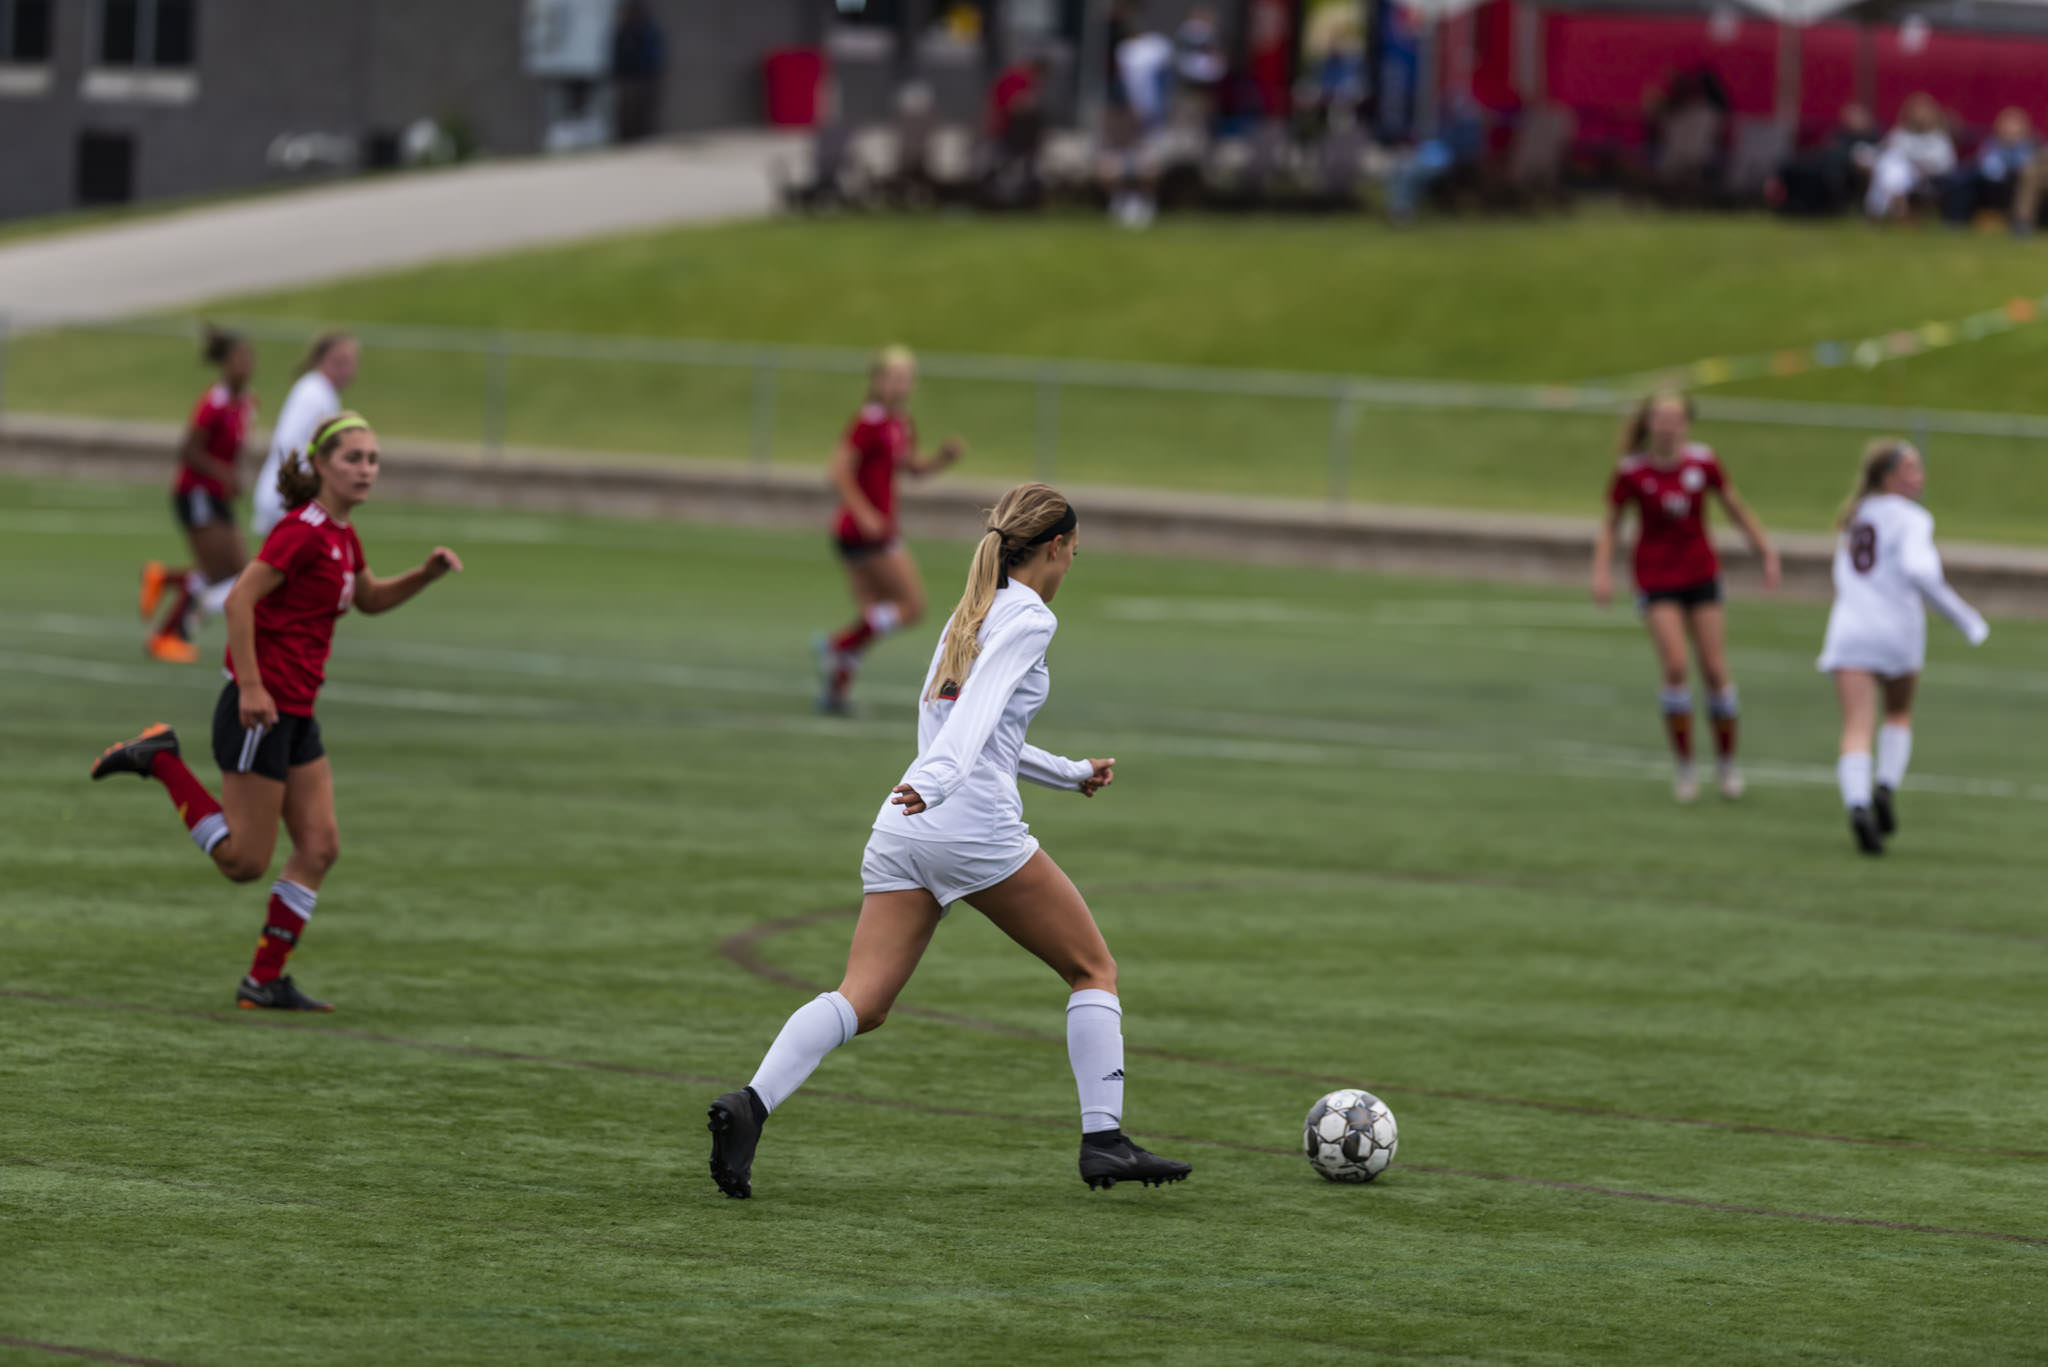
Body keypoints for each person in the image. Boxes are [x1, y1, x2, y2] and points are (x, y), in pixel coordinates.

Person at [711, 483, 1191, 1199]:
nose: (1070, 567)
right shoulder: (1029, 618)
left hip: (905, 822)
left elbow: (970, 721)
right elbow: (973, 723)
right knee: (1093, 968)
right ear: (1055, 547)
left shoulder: (970, 612)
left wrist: (1066, 772)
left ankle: (750, 1105)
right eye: (1075, 554)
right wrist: (939, 780)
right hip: (965, 818)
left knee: (862, 1001)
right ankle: (1104, 1140)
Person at [91, 413, 463, 1011]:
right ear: (320, 465)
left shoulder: (343, 536)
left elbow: (367, 599)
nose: (366, 469)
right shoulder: (305, 531)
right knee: (243, 862)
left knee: (319, 847)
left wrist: (426, 573)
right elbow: (239, 598)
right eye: (353, 458)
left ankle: (263, 981)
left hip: (296, 714)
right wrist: (252, 687)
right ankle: (161, 760)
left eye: (373, 459)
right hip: (258, 712)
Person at [1593, 393, 1781, 803]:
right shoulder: (1631, 472)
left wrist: (1765, 551)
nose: (1668, 425)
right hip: (1656, 577)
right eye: (1661, 418)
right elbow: (1611, 525)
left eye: (1675, 418)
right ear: (1648, 424)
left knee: (1714, 671)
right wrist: (1602, 571)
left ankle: (1728, 765)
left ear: (1687, 424)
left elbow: (1735, 508)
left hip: (1702, 573)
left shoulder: (1704, 463)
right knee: (1676, 667)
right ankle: (1685, 767)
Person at [1817, 440, 1987, 855]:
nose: (1919, 475)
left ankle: (1858, 805)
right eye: (1910, 468)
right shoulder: (1912, 519)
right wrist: (1966, 618)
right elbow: (1920, 571)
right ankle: (1886, 787)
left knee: (1856, 725)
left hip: (1850, 629)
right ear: (1888, 476)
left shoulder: (1854, 514)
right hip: (1897, 630)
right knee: (1898, 712)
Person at [814, 346, 963, 714]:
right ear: (878, 381)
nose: (901, 384)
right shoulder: (868, 421)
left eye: (906, 378)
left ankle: (836, 689)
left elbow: (912, 468)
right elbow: (837, 470)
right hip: (867, 533)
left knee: (873, 615)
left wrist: (942, 459)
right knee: (912, 607)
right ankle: (839, 645)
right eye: (894, 377)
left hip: (873, 531)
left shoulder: (900, 424)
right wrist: (863, 511)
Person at [139, 326, 257, 664]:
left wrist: (236, 475)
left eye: (250, 358)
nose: (246, 365)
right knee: (222, 572)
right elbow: (189, 450)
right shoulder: (214, 402)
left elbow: (234, 449)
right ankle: (165, 635)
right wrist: (222, 472)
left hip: (217, 494)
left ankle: (163, 579)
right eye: (239, 359)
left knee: (237, 569)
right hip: (195, 494)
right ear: (225, 363)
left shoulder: (246, 402)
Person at [253, 331, 357, 539]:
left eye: (350, 362)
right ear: (321, 359)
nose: (346, 369)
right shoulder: (314, 394)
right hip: (287, 497)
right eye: (339, 361)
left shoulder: (321, 392)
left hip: (288, 495)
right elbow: (289, 443)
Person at [1865, 93, 1955, 221]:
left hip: (1925, 178)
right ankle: (1897, 205)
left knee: (1893, 166)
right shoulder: (1899, 134)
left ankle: (1877, 210)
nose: (1919, 116)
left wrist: (1921, 166)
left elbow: (1948, 166)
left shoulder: (1939, 139)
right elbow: (1880, 153)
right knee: (1891, 163)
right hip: (1898, 175)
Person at [610, 0, 667, 144]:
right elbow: (616, 55)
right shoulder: (622, 30)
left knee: (642, 114)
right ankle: (625, 142)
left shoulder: (648, 30)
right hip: (626, 79)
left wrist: (649, 74)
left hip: (643, 78)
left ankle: (643, 141)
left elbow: (654, 56)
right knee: (625, 115)